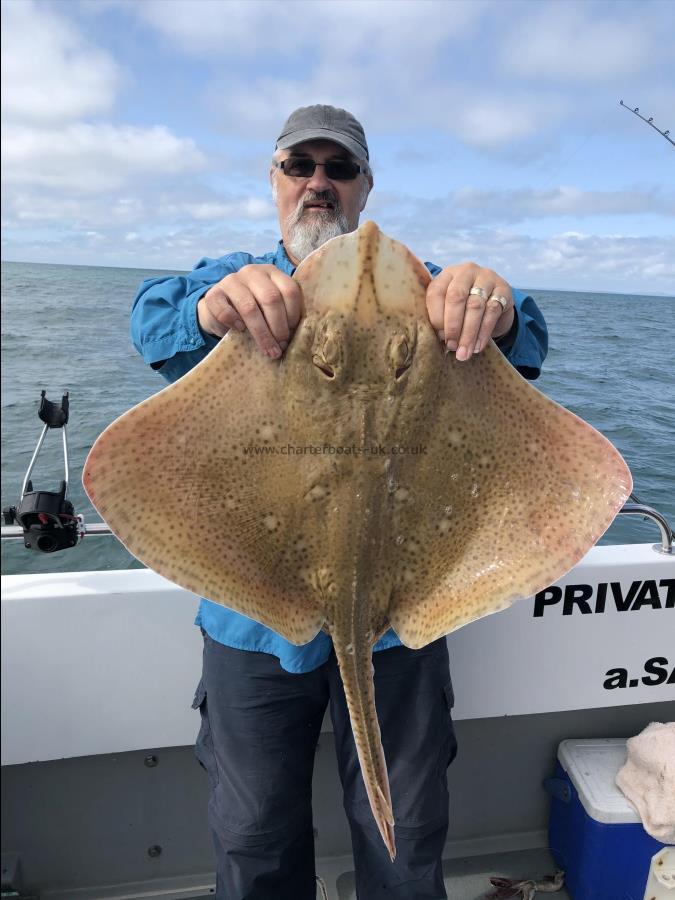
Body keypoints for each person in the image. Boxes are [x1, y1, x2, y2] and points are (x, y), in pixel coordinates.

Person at [131, 105, 548, 900]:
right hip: (250, 614)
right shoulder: (237, 274)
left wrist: (492, 301)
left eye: (340, 169)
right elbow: (153, 322)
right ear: (275, 179)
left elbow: (523, 345)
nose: (319, 183)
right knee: (253, 830)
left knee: (406, 830)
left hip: (400, 616)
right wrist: (209, 310)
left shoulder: (423, 291)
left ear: (364, 186)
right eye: (301, 166)